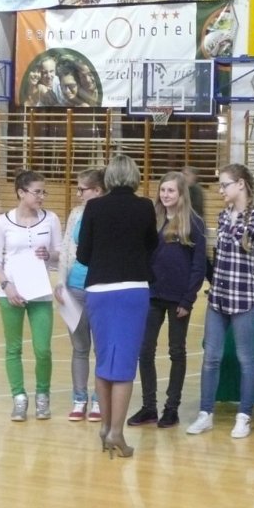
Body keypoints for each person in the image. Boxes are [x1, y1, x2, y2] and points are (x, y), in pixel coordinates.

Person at [76, 155, 158, 458]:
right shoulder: (144, 206)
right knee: (123, 364)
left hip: (99, 290)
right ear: (134, 176)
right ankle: (116, 432)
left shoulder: (94, 207)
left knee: (104, 360)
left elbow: (83, 255)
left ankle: (104, 428)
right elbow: (152, 246)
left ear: (108, 177)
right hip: (132, 290)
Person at [186, 163, 254, 438]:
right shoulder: (223, 217)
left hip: (244, 300)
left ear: (241, 185)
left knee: (246, 358)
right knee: (211, 357)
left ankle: (244, 415)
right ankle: (205, 413)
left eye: (225, 184)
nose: (221, 190)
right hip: (218, 299)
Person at [127, 172, 206, 429]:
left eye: (171, 190)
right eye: (162, 190)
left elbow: (198, 265)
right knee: (145, 350)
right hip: (152, 295)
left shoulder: (194, 223)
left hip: (178, 299)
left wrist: (188, 299)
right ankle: (149, 406)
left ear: (181, 194)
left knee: (176, 351)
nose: (165, 195)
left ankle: (171, 408)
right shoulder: (153, 220)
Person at [0, 169, 62, 422]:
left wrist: (50, 255)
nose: (42, 196)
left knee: (43, 349)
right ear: (21, 192)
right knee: (13, 348)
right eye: (37, 192)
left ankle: (43, 396)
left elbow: (60, 253)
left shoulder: (51, 219)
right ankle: (19, 397)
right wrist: (7, 286)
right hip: (10, 293)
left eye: (43, 192)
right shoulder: (2, 223)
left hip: (40, 293)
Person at [54, 168, 106, 422]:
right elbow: (66, 249)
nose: (78, 194)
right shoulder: (77, 214)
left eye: (82, 189)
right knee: (80, 347)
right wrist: (60, 282)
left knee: (102, 348)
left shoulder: (109, 214)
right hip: (75, 287)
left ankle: (99, 399)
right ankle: (79, 398)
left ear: (97, 190)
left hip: (101, 288)